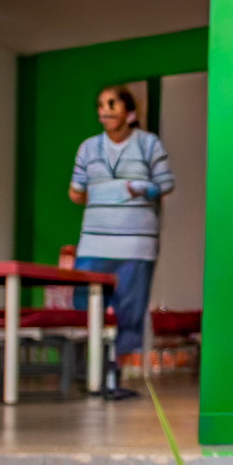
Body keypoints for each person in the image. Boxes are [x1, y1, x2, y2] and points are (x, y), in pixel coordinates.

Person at [68, 85, 173, 397]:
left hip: (135, 244)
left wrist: (142, 188)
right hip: (93, 242)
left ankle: (114, 376)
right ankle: (90, 372)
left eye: (111, 104)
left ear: (129, 112)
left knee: (129, 309)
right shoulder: (88, 147)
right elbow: (76, 192)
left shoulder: (148, 144)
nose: (104, 110)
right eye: (100, 104)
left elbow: (165, 185)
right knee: (83, 305)